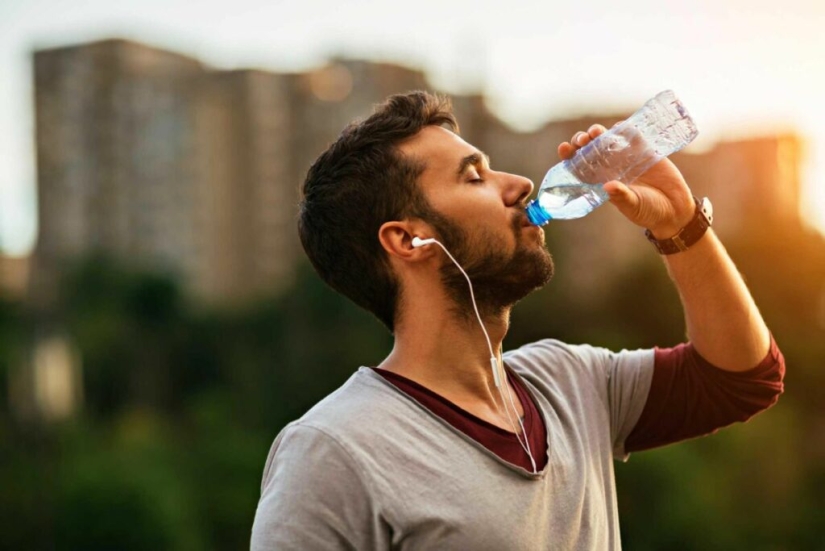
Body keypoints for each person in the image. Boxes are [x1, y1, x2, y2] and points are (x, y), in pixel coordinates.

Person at [250, 91, 784, 550]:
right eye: (475, 177)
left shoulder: (571, 382)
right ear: (408, 240)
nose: (522, 184)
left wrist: (682, 227)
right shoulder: (333, 450)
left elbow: (741, 378)